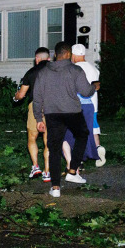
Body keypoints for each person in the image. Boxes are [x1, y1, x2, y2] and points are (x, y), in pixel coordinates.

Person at [32, 41, 96, 197]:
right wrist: (95, 86)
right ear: (69, 55)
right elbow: (86, 92)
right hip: (72, 112)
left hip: (52, 114)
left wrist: (38, 118)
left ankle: (55, 188)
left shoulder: (44, 72)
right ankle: (72, 170)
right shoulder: (75, 70)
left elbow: (37, 97)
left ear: (55, 54)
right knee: (82, 135)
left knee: (54, 148)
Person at [12, 47, 52, 181]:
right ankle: (47, 172)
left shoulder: (31, 72)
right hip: (53, 107)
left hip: (35, 106)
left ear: (36, 59)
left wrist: (16, 97)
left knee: (32, 137)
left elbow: (21, 94)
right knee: (49, 141)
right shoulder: (57, 71)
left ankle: (36, 166)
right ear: (49, 58)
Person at [68, 44, 106, 167]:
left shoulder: (74, 69)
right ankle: (98, 147)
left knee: (77, 132)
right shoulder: (94, 68)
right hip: (93, 104)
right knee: (93, 128)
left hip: (79, 104)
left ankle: (79, 157)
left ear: (73, 55)